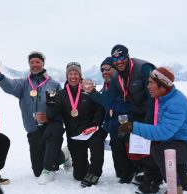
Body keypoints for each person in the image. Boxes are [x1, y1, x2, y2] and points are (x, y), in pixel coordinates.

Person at [119, 67, 187, 193]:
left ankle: (174, 189)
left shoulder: (175, 103)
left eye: (150, 83)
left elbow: (163, 132)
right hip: (175, 144)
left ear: (162, 86)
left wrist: (134, 127)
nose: (147, 86)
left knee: (159, 151)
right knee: (184, 183)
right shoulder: (164, 98)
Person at [0, 51, 70, 185]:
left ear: (43, 64)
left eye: (38, 62)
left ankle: (64, 156)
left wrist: (49, 117)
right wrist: (0, 78)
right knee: (38, 171)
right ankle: (65, 155)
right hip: (33, 128)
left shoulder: (53, 84)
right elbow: (11, 86)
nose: (35, 65)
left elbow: (60, 106)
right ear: (29, 65)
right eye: (32, 62)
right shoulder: (23, 84)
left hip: (50, 125)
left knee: (50, 157)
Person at [83, 44, 156, 184]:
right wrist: (92, 91)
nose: (119, 61)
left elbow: (154, 99)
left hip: (150, 113)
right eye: (115, 58)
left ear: (128, 56)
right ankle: (139, 172)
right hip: (135, 114)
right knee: (129, 147)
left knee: (148, 143)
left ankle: (152, 176)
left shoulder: (143, 68)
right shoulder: (117, 77)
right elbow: (108, 101)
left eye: (122, 57)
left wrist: (148, 124)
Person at [46, 62, 106, 187]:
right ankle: (73, 159)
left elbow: (100, 107)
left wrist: (95, 124)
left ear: (80, 75)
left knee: (97, 145)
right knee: (79, 175)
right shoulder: (61, 95)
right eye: (70, 74)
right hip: (75, 134)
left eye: (76, 74)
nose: (73, 77)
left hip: (92, 130)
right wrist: (51, 104)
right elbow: (53, 115)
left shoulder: (89, 89)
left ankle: (95, 172)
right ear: (67, 76)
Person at [98, 57, 131, 179]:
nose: (105, 72)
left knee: (120, 142)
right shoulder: (104, 88)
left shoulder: (122, 85)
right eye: (102, 70)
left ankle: (132, 172)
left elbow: (126, 106)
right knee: (119, 172)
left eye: (108, 68)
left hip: (125, 123)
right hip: (111, 125)